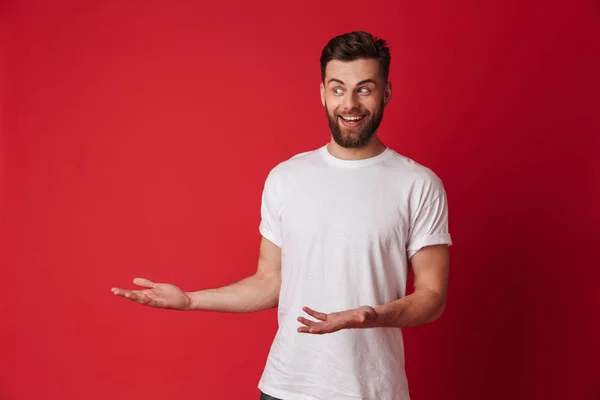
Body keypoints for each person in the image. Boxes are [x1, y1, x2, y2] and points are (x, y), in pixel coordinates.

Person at [112, 31, 452, 400]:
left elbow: (432, 296)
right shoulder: (286, 177)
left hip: (371, 390)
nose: (349, 103)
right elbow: (270, 280)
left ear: (385, 93)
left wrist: (371, 314)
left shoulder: (418, 184)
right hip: (286, 387)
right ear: (322, 93)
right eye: (337, 89)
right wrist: (192, 300)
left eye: (364, 89)